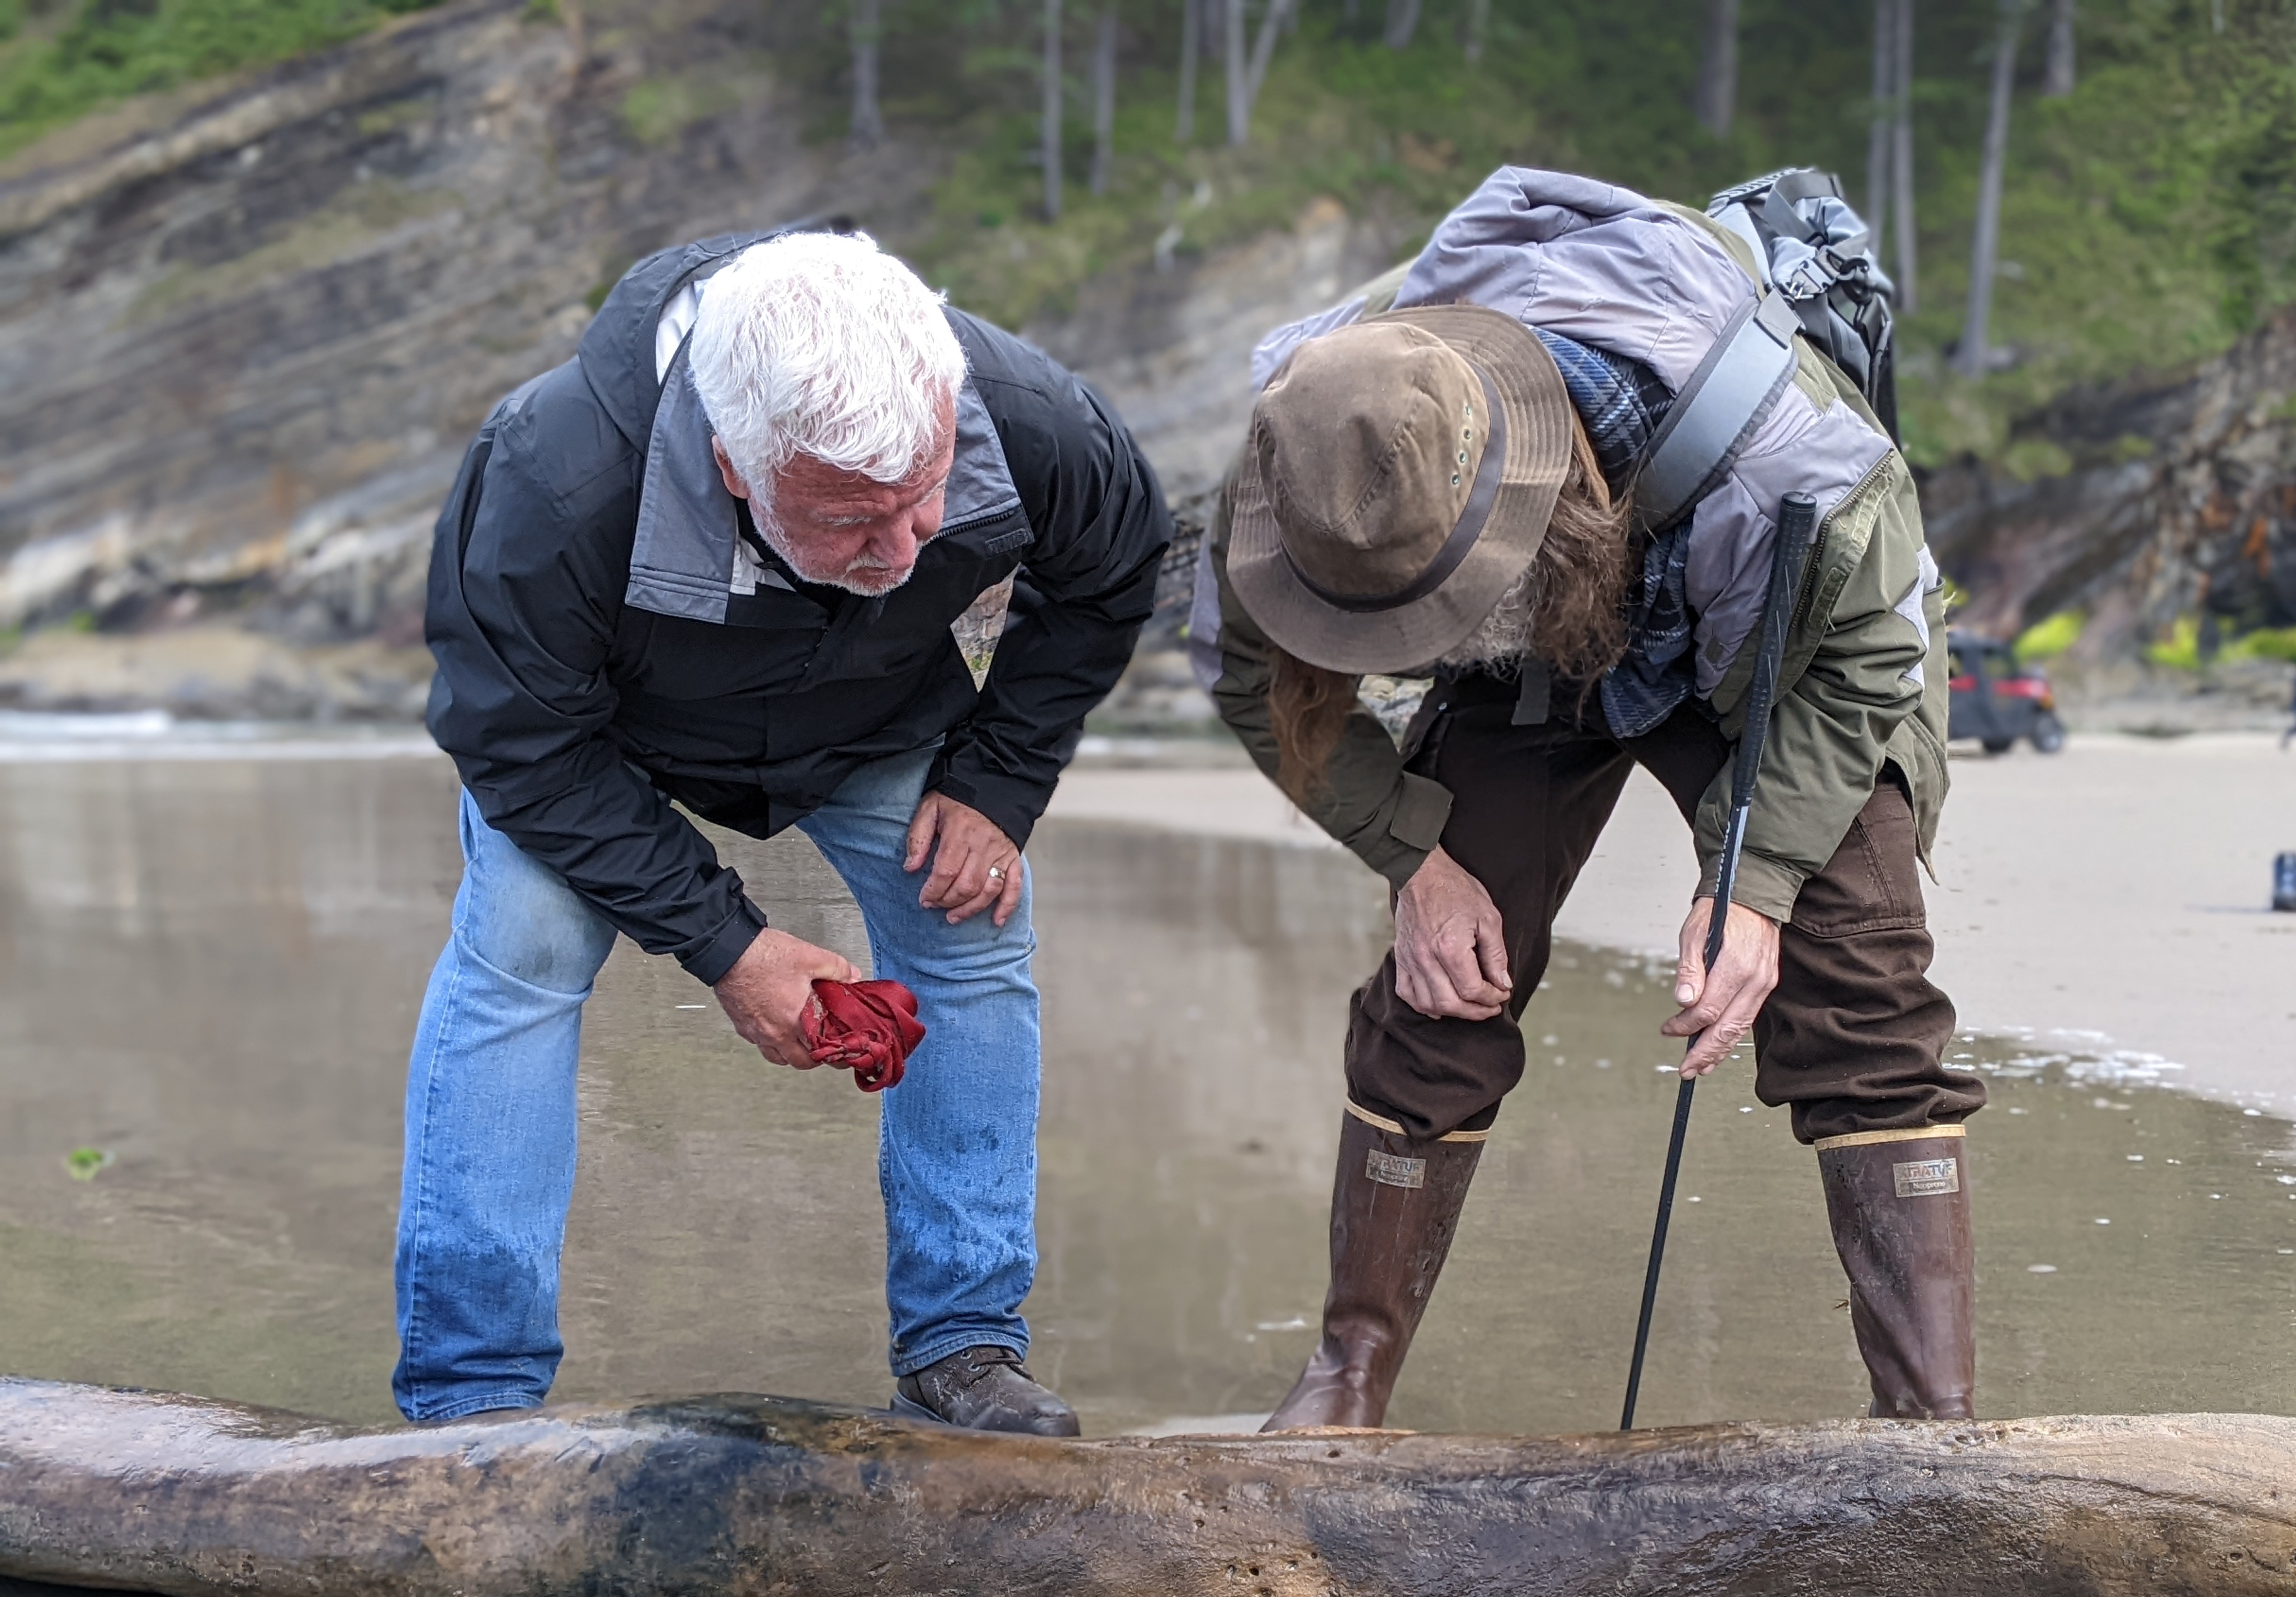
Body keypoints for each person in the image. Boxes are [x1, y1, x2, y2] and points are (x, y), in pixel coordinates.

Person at [1195, 168, 1985, 1431]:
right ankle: (1345, 1379)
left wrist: (1758, 882)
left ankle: (1932, 1420)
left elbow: (1870, 661)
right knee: (1444, 981)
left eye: (1423, 610)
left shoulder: (1794, 461)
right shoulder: (1314, 457)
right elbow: (1248, 671)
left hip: (1775, 643)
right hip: (1535, 659)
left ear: (1520, 518)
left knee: (1862, 982)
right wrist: (1416, 859)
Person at [404, 230, 1171, 1434]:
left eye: (922, 498)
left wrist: (1000, 779)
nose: (908, 547)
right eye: (853, 520)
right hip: (603, 740)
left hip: (874, 716)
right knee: (523, 954)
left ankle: (962, 1347)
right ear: (733, 464)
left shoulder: (1024, 416)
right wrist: (732, 946)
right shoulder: (555, 478)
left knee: (968, 925)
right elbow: (520, 743)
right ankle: (471, 1395)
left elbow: (1114, 567)